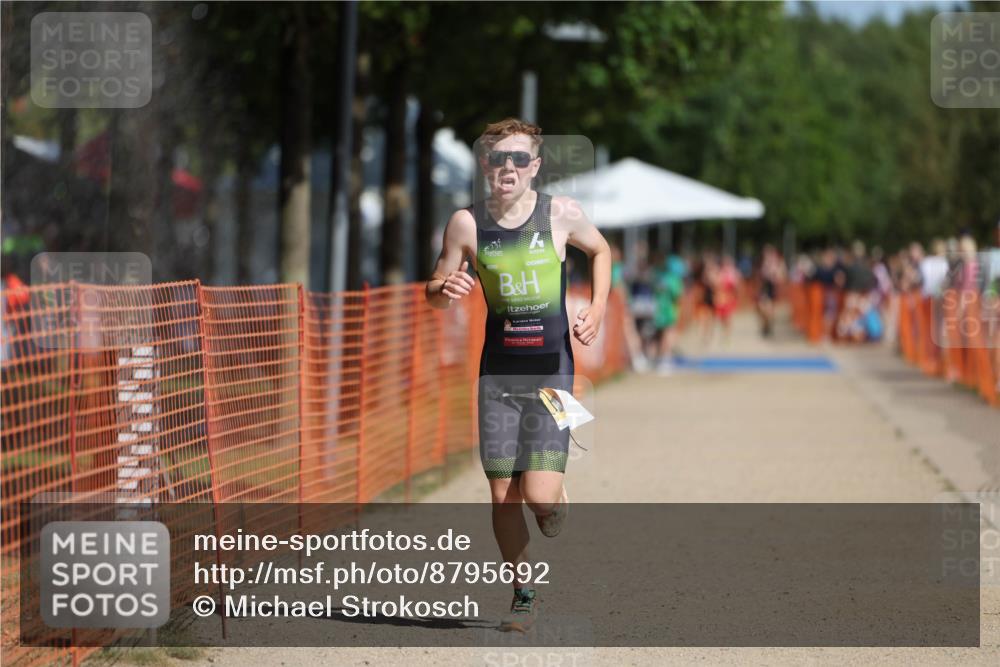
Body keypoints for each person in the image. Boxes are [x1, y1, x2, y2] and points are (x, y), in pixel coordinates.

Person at [425, 118, 611, 632]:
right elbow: (435, 285)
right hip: (498, 379)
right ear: (485, 165)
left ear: (535, 166)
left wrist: (595, 308)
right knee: (502, 493)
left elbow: (601, 251)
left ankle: (553, 501)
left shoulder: (562, 215)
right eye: (497, 158)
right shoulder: (466, 224)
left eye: (518, 158)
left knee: (539, 496)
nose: (507, 167)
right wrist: (443, 291)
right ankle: (523, 593)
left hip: (552, 374)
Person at [652, 252, 685, 374]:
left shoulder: (657, 275)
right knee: (668, 334)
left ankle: (660, 358)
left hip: (658, 309)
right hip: (669, 310)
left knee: (659, 335)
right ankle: (665, 358)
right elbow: (677, 294)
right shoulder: (672, 278)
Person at [756, 244, 786, 338]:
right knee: (762, 308)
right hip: (764, 288)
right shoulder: (762, 263)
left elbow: (781, 277)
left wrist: (774, 274)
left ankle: (769, 326)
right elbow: (759, 276)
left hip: (772, 288)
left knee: (769, 310)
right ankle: (765, 325)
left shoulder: (778, 264)